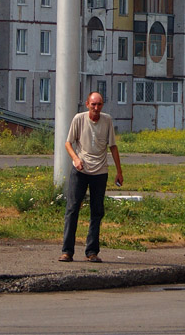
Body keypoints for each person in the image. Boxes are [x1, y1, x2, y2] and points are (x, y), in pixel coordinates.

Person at [59, 91, 123, 263]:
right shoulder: (79, 119)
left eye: (99, 104)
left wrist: (119, 171)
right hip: (80, 170)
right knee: (72, 209)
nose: (96, 108)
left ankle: (92, 251)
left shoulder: (107, 120)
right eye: (93, 104)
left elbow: (113, 147)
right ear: (87, 104)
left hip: (100, 172)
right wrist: (75, 158)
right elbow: (68, 143)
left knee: (97, 211)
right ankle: (67, 251)